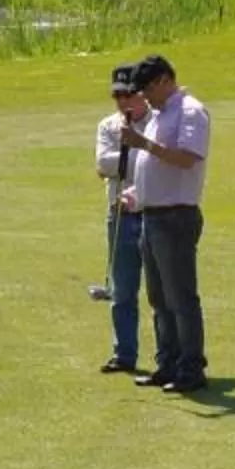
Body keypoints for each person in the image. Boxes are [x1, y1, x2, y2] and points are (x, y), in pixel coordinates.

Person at [121, 53, 211, 394]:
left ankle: (191, 367)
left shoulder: (190, 111)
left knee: (180, 297)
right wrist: (136, 192)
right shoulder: (161, 114)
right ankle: (168, 363)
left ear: (163, 81)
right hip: (152, 214)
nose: (143, 97)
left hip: (176, 216)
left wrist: (143, 143)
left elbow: (187, 158)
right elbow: (154, 164)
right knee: (158, 298)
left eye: (146, 89)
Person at [91, 64, 152, 374]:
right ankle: (124, 355)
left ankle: (170, 361)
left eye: (128, 94)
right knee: (123, 291)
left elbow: (159, 160)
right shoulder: (108, 126)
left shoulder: (156, 122)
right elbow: (103, 163)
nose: (123, 102)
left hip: (152, 214)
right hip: (119, 215)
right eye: (117, 95)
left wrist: (136, 149)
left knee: (162, 293)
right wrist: (136, 153)